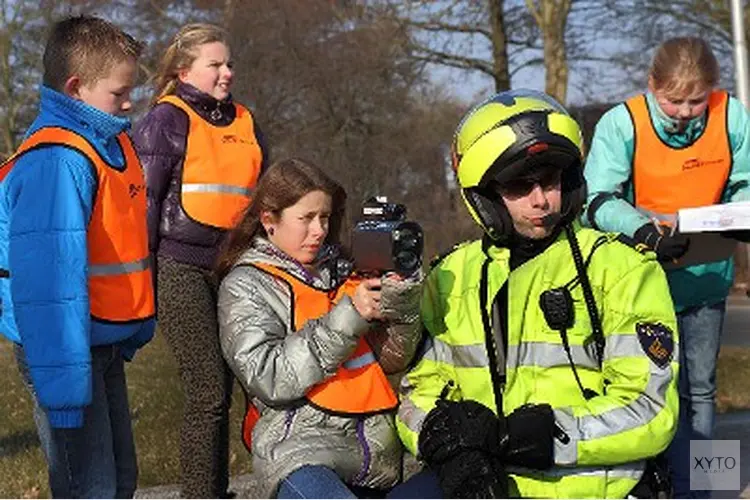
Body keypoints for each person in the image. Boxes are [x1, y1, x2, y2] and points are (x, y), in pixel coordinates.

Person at [395, 89, 680, 498]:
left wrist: (538, 435)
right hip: (485, 483)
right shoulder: (449, 276)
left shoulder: (625, 270)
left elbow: (650, 410)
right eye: (518, 187)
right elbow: (417, 395)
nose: (542, 200)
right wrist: (448, 444)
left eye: (550, 181)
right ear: (486, 195)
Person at [582, 36, 750, 498]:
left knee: (701, 386)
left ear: (713, 90)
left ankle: (705, 489)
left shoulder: (731, 115)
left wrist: (738, 215)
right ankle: (647, 487)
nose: (683, 111)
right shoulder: (622, 123)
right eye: (672, 100)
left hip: (705, 279)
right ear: (651, 85)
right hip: (639, 283)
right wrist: (643, 231)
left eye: (696, 100)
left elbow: (744, 182)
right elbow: (596, 200)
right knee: (643, 389)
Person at [215, 158, 434, 499]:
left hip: (376, 459)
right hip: (299, 455)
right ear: (269, 220)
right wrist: (349, 317)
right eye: (306, 218)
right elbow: (270, 376)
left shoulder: (347, 270)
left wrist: (402, 300)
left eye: (325, 217)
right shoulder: (245, 285)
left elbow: (393, 360)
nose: (319, 230)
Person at [0, 15, 154, 498]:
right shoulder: (58, 162)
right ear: (75, 87)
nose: (129, 103)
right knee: (90, 488)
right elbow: (50, 288)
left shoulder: (106, 143)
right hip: (64, 352)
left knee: (119, 479)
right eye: (119, 93)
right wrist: (64, 393)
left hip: (96, 340)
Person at [132, 23, 268, 498]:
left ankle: (223, 487)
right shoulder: (164, 121)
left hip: (237, 269)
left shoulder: (248, 122)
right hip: (179, 267)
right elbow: (143, 205)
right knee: (208, 389)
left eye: (229, 63)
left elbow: (264, 203)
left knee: (242, 382)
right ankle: (199, 493)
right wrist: (143, 280)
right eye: (216, 64)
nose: (227, 72)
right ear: (184, 70)